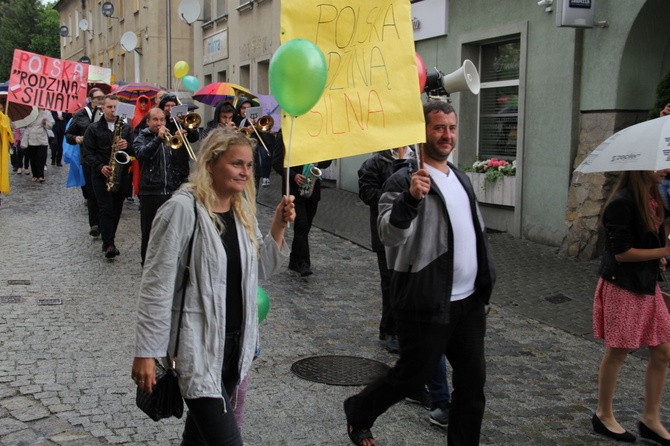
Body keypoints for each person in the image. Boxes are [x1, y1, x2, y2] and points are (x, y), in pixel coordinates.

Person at [343, 101, 496, 446]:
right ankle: (359, 411)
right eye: (439, 127)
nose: (447, 135)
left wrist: (485, 279)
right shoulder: (402, 179)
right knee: (411, 378)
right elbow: (388, 234)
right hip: (426, 300)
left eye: (452, 128)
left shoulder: (460, 177)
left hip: (468, 302)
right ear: (422, 131)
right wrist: (410, 199)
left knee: (472, 386)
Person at [131, 130, 295, 446]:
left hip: (236, 349)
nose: (245, 172)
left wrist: (278, 226)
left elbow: (259, 270)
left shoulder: (242, 209)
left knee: (198, 439)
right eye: (237, 163)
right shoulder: (182, 209)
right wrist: (146, 352)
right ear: (210, 164)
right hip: (198, 349)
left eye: (248, 165)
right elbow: (156, 286)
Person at [591, 169, 670, 444]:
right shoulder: (621, 202)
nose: (666, 168)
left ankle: (650, 419)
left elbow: (647, 240)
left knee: (662, 352)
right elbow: (622, 253)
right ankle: (603, 414)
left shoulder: (654, 198)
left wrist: (658, 255)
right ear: (640, 166)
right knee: (618, 352)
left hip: (647, 286)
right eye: (658, 164)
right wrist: (664, 252)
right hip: (623, 287)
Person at [358, 146, 415, 353]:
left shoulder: (417, 159)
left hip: (413, 232)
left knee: (409, 283)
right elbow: (366, 193)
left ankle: (400, 327)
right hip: (385, 232)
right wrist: (395, 192)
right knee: (391, 282)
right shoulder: (376, 162)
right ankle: (391, 330)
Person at [134, 107, 191, 265]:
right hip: (150, 192)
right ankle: (146, 263)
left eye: (162, 120)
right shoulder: (142, 137)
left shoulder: (169, 138)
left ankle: (166, 262)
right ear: (148, 121)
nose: (159, 123)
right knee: (149, 231)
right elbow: (142, 154)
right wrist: (158, 139)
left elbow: (176, 164)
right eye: (155, 120)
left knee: (170, 231)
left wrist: (178, 143)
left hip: (169, 191)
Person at [272, 128, 332, 277]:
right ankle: (304, 262)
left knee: (305, 227)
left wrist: (319, 161)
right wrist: (293, 175)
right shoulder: (286, 132)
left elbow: (328, 161)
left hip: (312, 190)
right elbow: (277, 162)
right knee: (302, 224)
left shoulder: (317, 133)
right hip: (293, 190)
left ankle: (294, 260)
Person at [83, 94, 135, 259]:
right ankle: (109, 244)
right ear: (102, 108)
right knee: (105, 208)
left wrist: (128, 145)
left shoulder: (126, 128)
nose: (113, 110)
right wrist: (100, 167)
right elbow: (88, 154)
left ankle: (109, 237)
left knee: (117, 208)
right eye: (109, 107)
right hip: (100, 174)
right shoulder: (93, 128)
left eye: (115, 107)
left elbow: (135, 148)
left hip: (121, 173)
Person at [66, 87, 106, 237]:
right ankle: (94, 223)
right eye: (97, 98)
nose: (100, 101)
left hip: (106, 157)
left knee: (106, 192)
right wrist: (76, 138)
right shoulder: (81, 115)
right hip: (88, 159)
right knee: (92, 191)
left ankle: (106, 222)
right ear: (90, 99)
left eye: (103, 98)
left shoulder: (108, 113)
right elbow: (68, 134)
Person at [22, 108, 54, 184]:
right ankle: (35, 175)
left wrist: (45, 123)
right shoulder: (28, 112)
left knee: (41, 158)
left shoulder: (46, 113)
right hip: (31, 138)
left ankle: (41, 175)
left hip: (42, 139)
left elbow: (50, 126)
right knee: (33, 158)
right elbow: (25, 124)